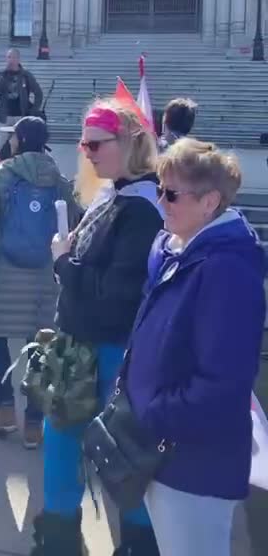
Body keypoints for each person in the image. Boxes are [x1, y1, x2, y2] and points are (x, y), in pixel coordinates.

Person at [126, 138, 266, 556]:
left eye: (171, 194)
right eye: (158, 190)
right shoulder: (180, 251)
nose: (161, 202)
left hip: (193, 464)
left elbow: (222, 386)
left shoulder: (227, 271)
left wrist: (154, 414)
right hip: (167, 452)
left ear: (210, 203)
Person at [37, 100, 163, 556]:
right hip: (83, 343)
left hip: (111, 349)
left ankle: (135, 543)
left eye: (96, 143)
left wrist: (62, 262)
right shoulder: (119, 195)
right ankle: (60, 538)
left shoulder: (143, 207)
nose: (86, 151)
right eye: (82, 142)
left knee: (118, 454)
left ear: (129, 143)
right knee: (65, 446)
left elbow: (115, 295)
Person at [0, 116, 77, 450]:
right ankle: (34, 425)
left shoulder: (1, 175)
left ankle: (5, 412)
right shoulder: (61, 182)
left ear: (17, 139)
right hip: (44, 278)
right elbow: (69, 229)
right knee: (40, 348)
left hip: (4, 272)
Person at [0, 48, 43, 150]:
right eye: (9, 57)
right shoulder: (1, 74)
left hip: (21, 116)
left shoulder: (26, 76)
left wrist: (33, 110)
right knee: (3, 143)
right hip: (5, 116)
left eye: (14, 57)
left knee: (19, 143)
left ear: (18, 59)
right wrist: (3, 77)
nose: (11, 60)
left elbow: (38, 93)